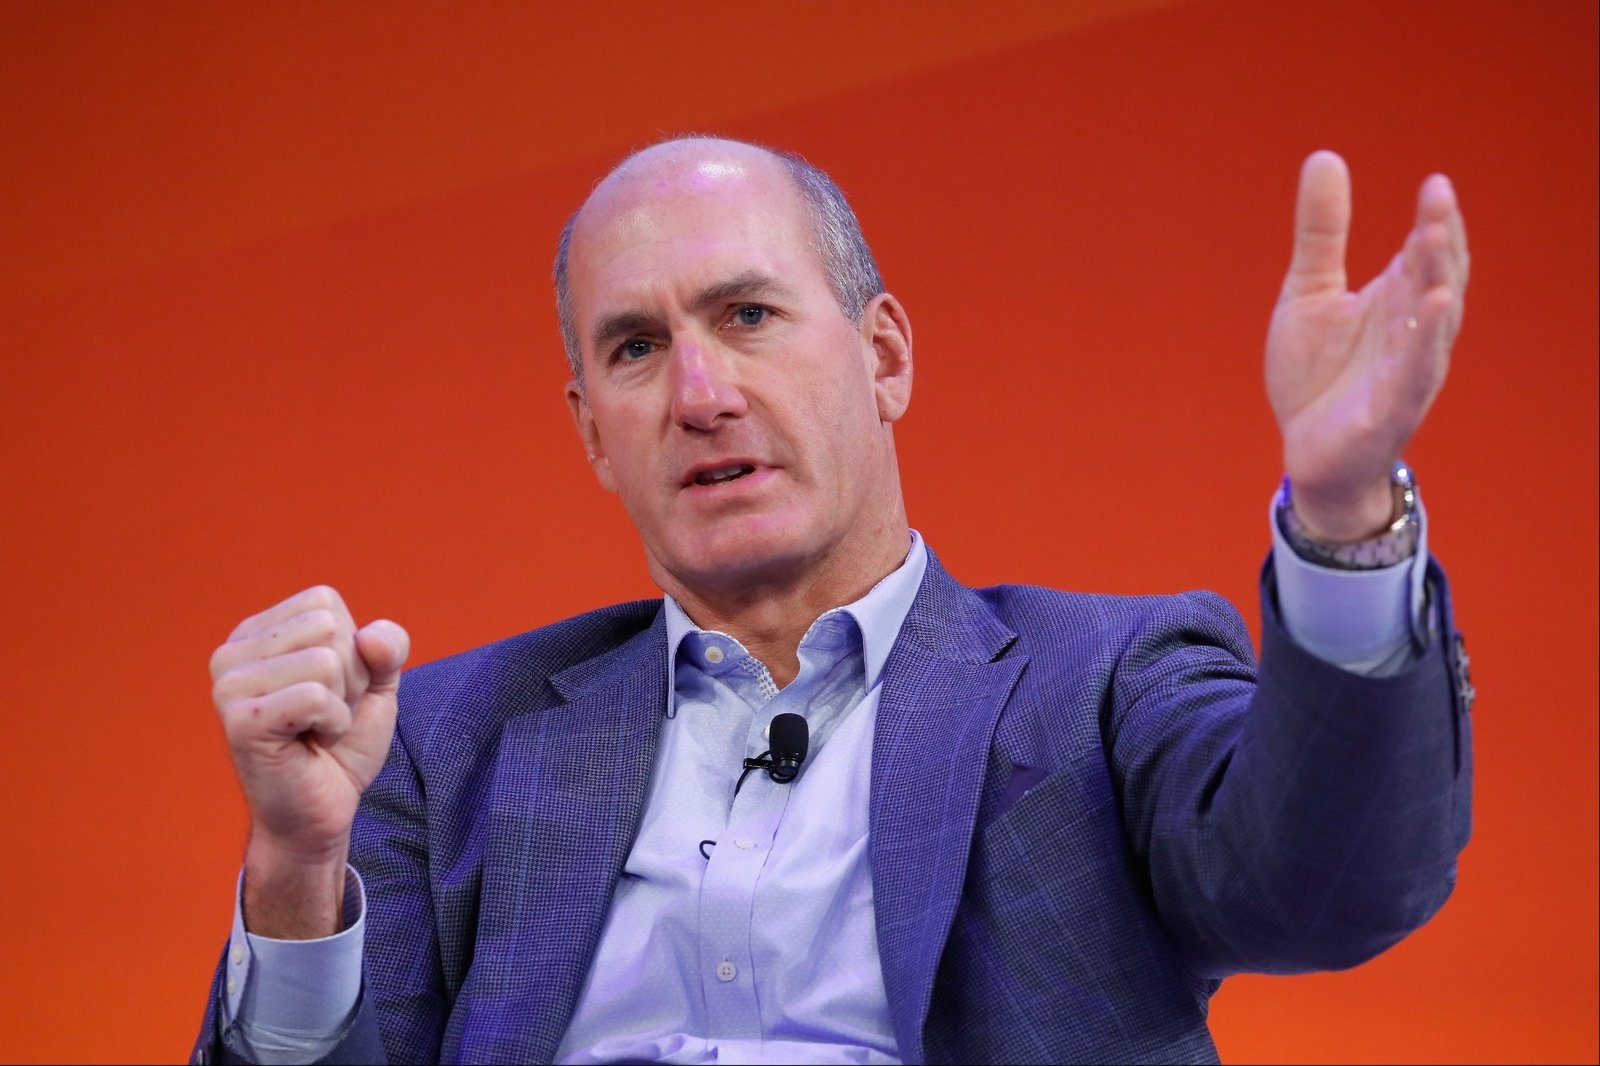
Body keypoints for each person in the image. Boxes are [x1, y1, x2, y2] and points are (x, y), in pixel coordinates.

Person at [194, 136, 1474, 1065]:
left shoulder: (1105, 676)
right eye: (636, 348)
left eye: (748, 315)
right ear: (592, 434)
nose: (700, 395)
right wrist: (296, 867)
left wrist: (1342, 515)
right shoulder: (444, 741)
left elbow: (1331, 883)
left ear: (884, 355)